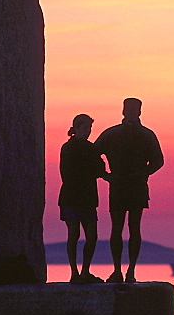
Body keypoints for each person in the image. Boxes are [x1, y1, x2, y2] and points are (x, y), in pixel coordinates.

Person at [95, 98, 164, 284]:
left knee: (134, 228)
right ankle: (117, 271)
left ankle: (131, 271)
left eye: (135, 109)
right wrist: (105, 174)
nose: (132, 112)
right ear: (123, 111)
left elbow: (158, 161)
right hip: (118, 186)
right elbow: (92, 155)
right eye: (129, 109)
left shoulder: (147, 135)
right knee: (117, 229)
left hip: (137, 186)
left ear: (139, 112)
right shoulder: (111, 134)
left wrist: (143, 172)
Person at [58, 114, 107, 284]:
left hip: (88, 199)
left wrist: (98, 171)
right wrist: (91, 171)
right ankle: (74, 273)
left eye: (90, 129)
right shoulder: (68, 148)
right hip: (71, 197)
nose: (88, 132)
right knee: (74, 234)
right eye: (85, 128)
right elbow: (68, 172)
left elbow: (100, 168)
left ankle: (85, 271)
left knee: (92, 236)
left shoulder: (91, 148)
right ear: (77, 129)